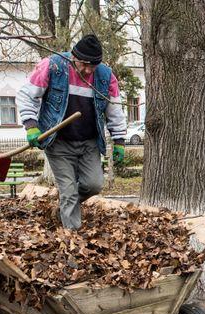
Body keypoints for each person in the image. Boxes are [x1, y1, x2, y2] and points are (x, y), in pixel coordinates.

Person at [17, 35, 127, 229]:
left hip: (89, 143)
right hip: (58, 142)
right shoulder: (53, 66)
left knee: (94, 185)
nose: (86, 70)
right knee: (68, 190)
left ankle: (64, 208)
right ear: (73, 56)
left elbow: (114, 110)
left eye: (91, 66)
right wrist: (31, 125)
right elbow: (27, 96)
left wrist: (119, 140)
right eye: (83, 64)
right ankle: (72, 239)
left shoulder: (105, 76)